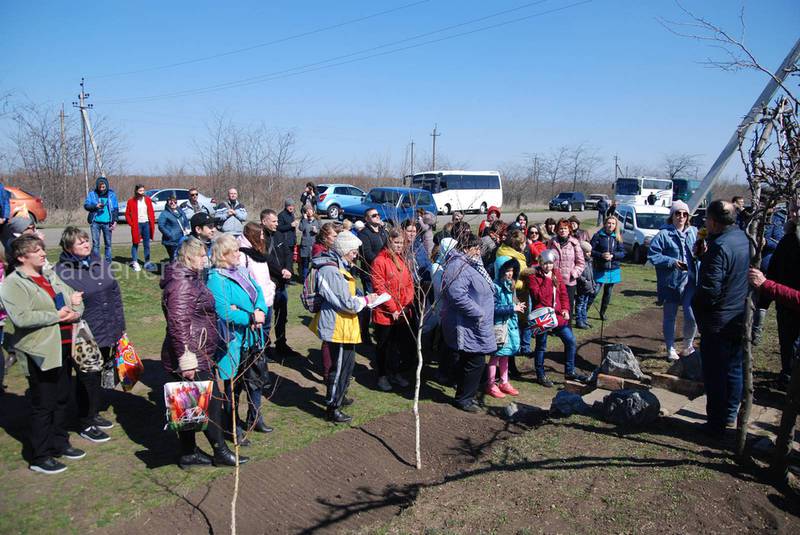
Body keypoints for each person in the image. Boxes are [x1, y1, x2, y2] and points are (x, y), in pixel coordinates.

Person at [0, 235, 84, 474]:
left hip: (62, 346)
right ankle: (40, 455)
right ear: (21, 256)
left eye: (43, 249)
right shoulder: (14, 283)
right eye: (36, 250)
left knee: (61, 397)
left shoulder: (47, 275)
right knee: (44, 403)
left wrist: (74, 311)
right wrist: (57, 316)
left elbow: (73, 298)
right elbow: (21, 317)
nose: (43, 253)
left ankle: (59, 442)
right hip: (39, 350)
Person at [160, 237, 246, 467]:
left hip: (199, 350)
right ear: (188, 257)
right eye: (201, 255)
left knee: (188, 405)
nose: (205, 259)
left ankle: (188, 454)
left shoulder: (191, 278)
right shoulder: (183, 284)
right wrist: (186, 358)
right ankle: (220, 451)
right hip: (192, 355)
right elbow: (177, 322)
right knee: (211, 403)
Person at [54, 227, 126, 444]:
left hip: (108, 328)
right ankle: (85, 422)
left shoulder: (99, 262)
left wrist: (120, 327)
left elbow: (115, 294)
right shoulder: (61, 271)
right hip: (84, 332)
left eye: (87, 240)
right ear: (68, 248)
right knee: (86, 378)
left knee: (97, 374)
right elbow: (58, 302)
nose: (86, 244)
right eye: (80, 242)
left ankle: (93, 413)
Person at [692, 200, 749, 438]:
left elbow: (710, 289)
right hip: (739, 315)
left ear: (714, 222)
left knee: (716, 373)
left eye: (707, 220)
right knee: (734, 369)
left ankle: (716, 423)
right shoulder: (744, 238)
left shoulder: (721, 248)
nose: (705, 223)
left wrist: (698, 305)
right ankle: (729, 415)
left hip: (719, 318)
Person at [309, 232, 377, 423]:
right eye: (354, 252)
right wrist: (365, 300)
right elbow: (345, 302)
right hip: (336, 326)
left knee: (347, 366)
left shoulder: (340, 267)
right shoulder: (330, 271)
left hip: (345, 325)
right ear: (344, 251)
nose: (356, 255)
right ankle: (332, 408)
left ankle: (339, 397)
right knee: (338, 368)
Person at [207, 234, 268, 444]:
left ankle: (254, 417)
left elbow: (258, 291)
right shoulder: (217, 279)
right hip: (232, 341)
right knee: (232, 387)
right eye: (234, 251)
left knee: (253, 379)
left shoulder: (241, 271)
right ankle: (232, 428)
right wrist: (250, 316)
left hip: (252, 336)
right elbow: (224, 312)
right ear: (223, 256)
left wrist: (259, 310)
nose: (238, 253)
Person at [440, 232, 496, 413]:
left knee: (471, 361)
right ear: (465, 249)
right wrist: (478, 313)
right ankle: (464, 398)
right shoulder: (457, 266)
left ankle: (465, 396)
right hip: (468, 324)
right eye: (476, 248)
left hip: (474, 324)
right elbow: (457, 295)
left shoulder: (468, 264)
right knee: (475, 362)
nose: (479, 251)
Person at [528, 249, 589, 387]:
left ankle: (570, 371)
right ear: (540, 263)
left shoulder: (557, 273)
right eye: (545, 263)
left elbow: (563, 294)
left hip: (557, 315)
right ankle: (540, 374)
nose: (548, 266)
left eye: (550, 263)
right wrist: (547, 280)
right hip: (542, 315)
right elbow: (539, 297)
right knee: (541, 346)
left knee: (570, 340)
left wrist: (566, 309)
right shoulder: (533, 277)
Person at [236, 223, 275, 434]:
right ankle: (235, 420)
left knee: (258, 366)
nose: (263, 237)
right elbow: (245, 287)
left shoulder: (259, 254)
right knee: (244, 370)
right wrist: (252, 312)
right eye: (260, 234)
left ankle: (255, 415)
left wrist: (270, 291)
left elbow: (262, 281)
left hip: (265, 309)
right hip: (249, 319)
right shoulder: (242, 256)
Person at [648, 201, 698, 361]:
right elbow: (653, 255)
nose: (681, 217)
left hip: (690, 281)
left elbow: (700, 254)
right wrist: (672, 261)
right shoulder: (663, 234)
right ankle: (670, 348)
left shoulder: (694, 232)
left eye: (685, 214)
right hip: (671, 281)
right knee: (670, 316)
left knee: (692, 315)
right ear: (672, 216)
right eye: (678, 213)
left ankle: (688, 345)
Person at [371, 229, 414, 391]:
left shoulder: (403, 260)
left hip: (402, 312)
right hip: (386, 313)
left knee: (397, 346)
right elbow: (380, 288)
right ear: (389, 241)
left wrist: (405, 306)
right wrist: (393, 309)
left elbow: (409, 284)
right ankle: (382, 376)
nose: (399, 246)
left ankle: (395, 373)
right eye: (396, 242)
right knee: (384, 346)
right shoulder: (380, 261)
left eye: (401, 243)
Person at [765, 200, 800, 387]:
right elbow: (775, 269)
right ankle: (787, 375)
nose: (794, 214)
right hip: (785, 303)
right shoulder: (788, 239)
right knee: (786, 341)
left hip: (794, 299)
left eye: (798, 210)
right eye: (793, 210)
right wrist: (764, 299)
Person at [485, 256, 525, 398]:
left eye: (512, 271)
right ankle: (490, 384)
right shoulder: (495, 286)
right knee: (495, 356)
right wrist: (512, 308)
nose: (510, 273)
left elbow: (512, 302)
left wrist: (517, 306)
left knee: (506, 355)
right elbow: (494, 308)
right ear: (500, 270)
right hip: (499, 326)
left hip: (510, 325)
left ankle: (504, 381)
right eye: (507, 270)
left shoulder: (510, 285)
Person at [261, 209, 294, 354]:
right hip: (268, 283)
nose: (277, 224)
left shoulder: (279, 234)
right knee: (265, 318)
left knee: (282, 315)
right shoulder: (259, 237)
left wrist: (288, 268)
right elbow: (266, 259)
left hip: (281, 283)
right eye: (274, 221)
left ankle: (281, 343)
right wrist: (280, 272)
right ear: (264, 222)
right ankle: (264, 348)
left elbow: (288, 253)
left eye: (277, 221)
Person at [357, 208, 388, 341]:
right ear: (367, 219)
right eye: (373, 215)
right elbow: (367, 254)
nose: (377, 217)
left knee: (383, 301)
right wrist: (382, 262)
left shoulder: (383, 232)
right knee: (371, 303)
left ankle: (379, 330)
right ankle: (364, 333)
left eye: (378, 214)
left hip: (385, 273)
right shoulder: (364, 234)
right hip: (370, 274)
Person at [547, 219, 585, 320]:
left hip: (569, 281)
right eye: (560, 229)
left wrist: (574, 273)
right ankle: (555, 326)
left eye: (565, 228)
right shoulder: (552, 242)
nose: (562, 231)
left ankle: (567, 327)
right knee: (554, 303)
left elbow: (581, 262)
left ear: (569, 230)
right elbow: (547, 258)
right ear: (557, 230)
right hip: (554, 279)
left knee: (568, 306)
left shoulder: (575, 243)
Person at [589, 215, 625, 321]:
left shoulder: (617, 237)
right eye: (609, 223)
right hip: (600, 268)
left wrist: (613, 255)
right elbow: (590, 251)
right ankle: (583, 313)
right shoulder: (598, 236)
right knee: (594, 291)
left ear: (615, 225)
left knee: (608, 293)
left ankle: (602, 313)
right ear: (605, 224)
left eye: (613, 223)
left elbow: (623, 253)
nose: (610, 225)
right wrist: (601, 255)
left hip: (613, 269)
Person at [83, 176, 118, 264]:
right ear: (97, 186)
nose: (101, 189)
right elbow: (86, 205)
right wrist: (95, 206)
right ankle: (96, 263)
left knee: (108, 244)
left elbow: (115, 209)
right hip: (95, 223)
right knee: (96, 244)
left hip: (108, 223)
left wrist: (115, 221)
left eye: (103, 187)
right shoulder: (92, 194)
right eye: (100, 187)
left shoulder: (111, 195)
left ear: (106, 186)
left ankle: (108, 262)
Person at [124, 184, 155, 272]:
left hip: (146, 224)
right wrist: (132, 224)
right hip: (137, 225)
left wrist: (151, 222)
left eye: (143, 191)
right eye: (140, 191)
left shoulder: (148, 200)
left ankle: (147, 262)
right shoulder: (131, 201)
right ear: (136, 191)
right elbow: (127, 214)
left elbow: (151, 212)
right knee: (135, 243)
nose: (142, 192)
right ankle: (135, 262)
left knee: (146, 244)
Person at [157, 195, 190, 262]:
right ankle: (173, 271)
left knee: (182, 257)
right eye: (171, 202)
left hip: (183, 238)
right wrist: (170, 235)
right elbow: (161, 226)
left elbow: (185, 220)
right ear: (167, 203)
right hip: (171, 241)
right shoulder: (164, 214)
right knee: (174, 258)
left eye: (175, 202)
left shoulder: (180, 211)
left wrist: (187, 228)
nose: (173, 204)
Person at [574, 241, 597, 329]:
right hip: (581, 287)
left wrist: (592, 283)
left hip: (588, 287)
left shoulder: (589, 261)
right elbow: (578, 275)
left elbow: (591, 274)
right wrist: (585, 281)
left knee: (585, 304)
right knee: (579, 304)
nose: (589, 254)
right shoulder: (580, 262)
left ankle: (584, 320)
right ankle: (579, 321)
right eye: (587, 252)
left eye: (590, 252)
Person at [276, 199, 299, 278]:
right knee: (286, 259)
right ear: (286, 206)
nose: (291, 207)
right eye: (289, 206)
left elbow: (293, 230)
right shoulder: (281, 215)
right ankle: (286, 277)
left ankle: (291, 276)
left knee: (291, 259)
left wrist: (295, 239)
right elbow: (279, 228)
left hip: (292, 241)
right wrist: (290, 225)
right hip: (285, 241)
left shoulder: (292, 215)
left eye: (292, 206)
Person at [298, 205, 320, 282]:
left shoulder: (317, 220)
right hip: (305, 246)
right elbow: (301, 228)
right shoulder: (303, 220)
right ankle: (305, 280)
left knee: (315, 264)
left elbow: (321, 232)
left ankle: (314, 280)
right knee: (305, 264)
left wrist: (316, 231)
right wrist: (304, 220)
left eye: (310, 210)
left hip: (314, 245)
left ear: (313, 211)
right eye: (307, 211)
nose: (309, 212)